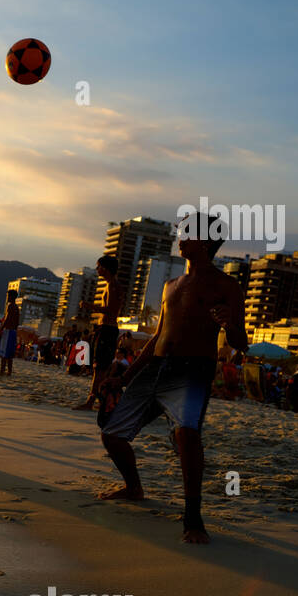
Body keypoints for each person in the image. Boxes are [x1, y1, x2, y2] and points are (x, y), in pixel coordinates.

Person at [97, 214, 249, 544]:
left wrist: (230, 326)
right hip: (156, 367)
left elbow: (242, 342)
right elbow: (156, 339)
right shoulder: (171, 286)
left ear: (206, 242)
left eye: (189, 233)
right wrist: (124, 377)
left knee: (187, 435)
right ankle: (134, 487)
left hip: (193, 369)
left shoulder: (226, 287)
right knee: (112, 434)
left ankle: (193, 517)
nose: (181, 238)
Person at [76, 256, 124, 409]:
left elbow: (111, 310)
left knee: (100, 368)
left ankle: (91, 401)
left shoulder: (113, 286)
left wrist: (89, 306)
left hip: (107, 329)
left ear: (105, 268)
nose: (97, 270)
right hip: (106, 329)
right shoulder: (112, 285)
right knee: (101, 367)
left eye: (99, 267)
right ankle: (100, 399)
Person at [0, 291, 19, 374]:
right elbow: (17, 322)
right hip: (13, 332)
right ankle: (9, 371)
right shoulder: (16, 307)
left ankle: (2, 370)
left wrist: (0, 329)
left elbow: (6, 319)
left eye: (8, 296)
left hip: (8, 331)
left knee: (4, 353)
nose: (7, 297)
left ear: (11, 297)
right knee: (10, 354)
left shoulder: (10, 306)